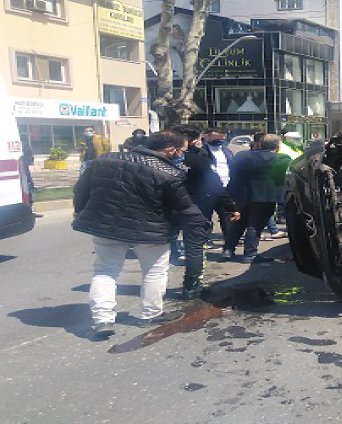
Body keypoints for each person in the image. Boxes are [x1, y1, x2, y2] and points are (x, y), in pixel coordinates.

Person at [72, 131, 210, 338]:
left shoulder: (104, 160)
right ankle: (151, 314)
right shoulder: (170, 173)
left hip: (107, 226)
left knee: (105, 271)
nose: (181, 154)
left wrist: (80, 210)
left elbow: (81, 191)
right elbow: (184, 207)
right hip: (152, 231)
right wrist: (201, 224)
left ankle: (103, 319)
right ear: (170, 150)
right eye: (181, 150)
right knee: (154, 272)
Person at [173, 125, 241, 299]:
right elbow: (215, 185)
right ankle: (192, 285)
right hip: (194, 207)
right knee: (195, 248)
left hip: (163, 211)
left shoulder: (143, 160)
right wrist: (231, 206)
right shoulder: (199, 160)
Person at [222, 134, 292, 263]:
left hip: (241, 195)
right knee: (255, 226)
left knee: (238, 224)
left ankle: (228, 250)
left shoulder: (242, 156)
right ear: (278, 146)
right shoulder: (282, 159)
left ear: (259, 144)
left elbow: (234, 171)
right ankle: (250, 254)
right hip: (265, 198)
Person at [203, 128, 235, 245]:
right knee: (205, 218)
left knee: (227, 218)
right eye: (215, 137)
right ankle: (205, 241)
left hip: (225, 188)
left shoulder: (226, 151)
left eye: (222, 138)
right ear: (207, 137)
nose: (219, 140)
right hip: (207, 190)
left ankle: (229, 244)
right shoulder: (202, 151)